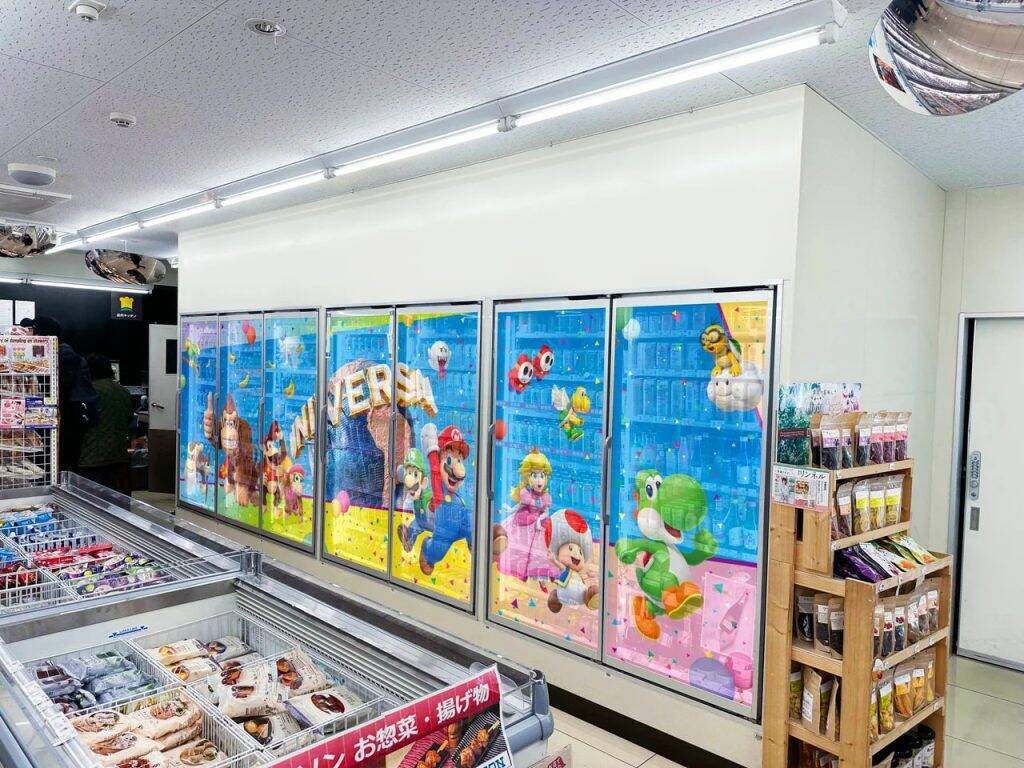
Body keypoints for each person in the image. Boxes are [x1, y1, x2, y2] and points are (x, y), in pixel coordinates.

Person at [19, 316, 98, 472]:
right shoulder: (63, 354)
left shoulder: (63, 356)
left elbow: (57, 389)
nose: (30, 336)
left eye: (33, 331)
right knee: (56, 463)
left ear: (43, 334)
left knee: (58, 464)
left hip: (63, 421)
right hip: (62, 420)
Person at [77, 355, 133, 494]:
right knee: (116, 497)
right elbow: (129, 419)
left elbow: (82, 421)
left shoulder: (88, 391)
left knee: (91, 499)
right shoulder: (123, 391)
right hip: (118, 455)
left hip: (91, 456)